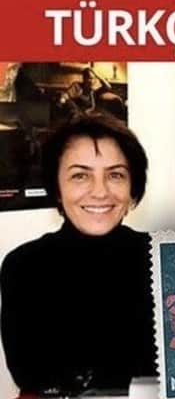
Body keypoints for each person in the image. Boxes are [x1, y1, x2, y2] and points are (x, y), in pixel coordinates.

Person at [0, 114, 156, 396]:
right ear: (57, 188)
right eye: (80, 176)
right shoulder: (24, 265)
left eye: (115, 175)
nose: (100, 192)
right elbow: (31, 374)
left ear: (132, 187)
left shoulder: (165, 258)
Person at [60, 68, 125, 120]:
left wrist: (98, 75)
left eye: (94, 78)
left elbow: (108, 87)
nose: (92, 81)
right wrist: (62, 100)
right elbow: (66, 95)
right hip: (78, 115)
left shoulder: (94, 90)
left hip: (91, 116)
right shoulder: (77, 86)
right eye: (90, 78)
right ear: (84, 79)